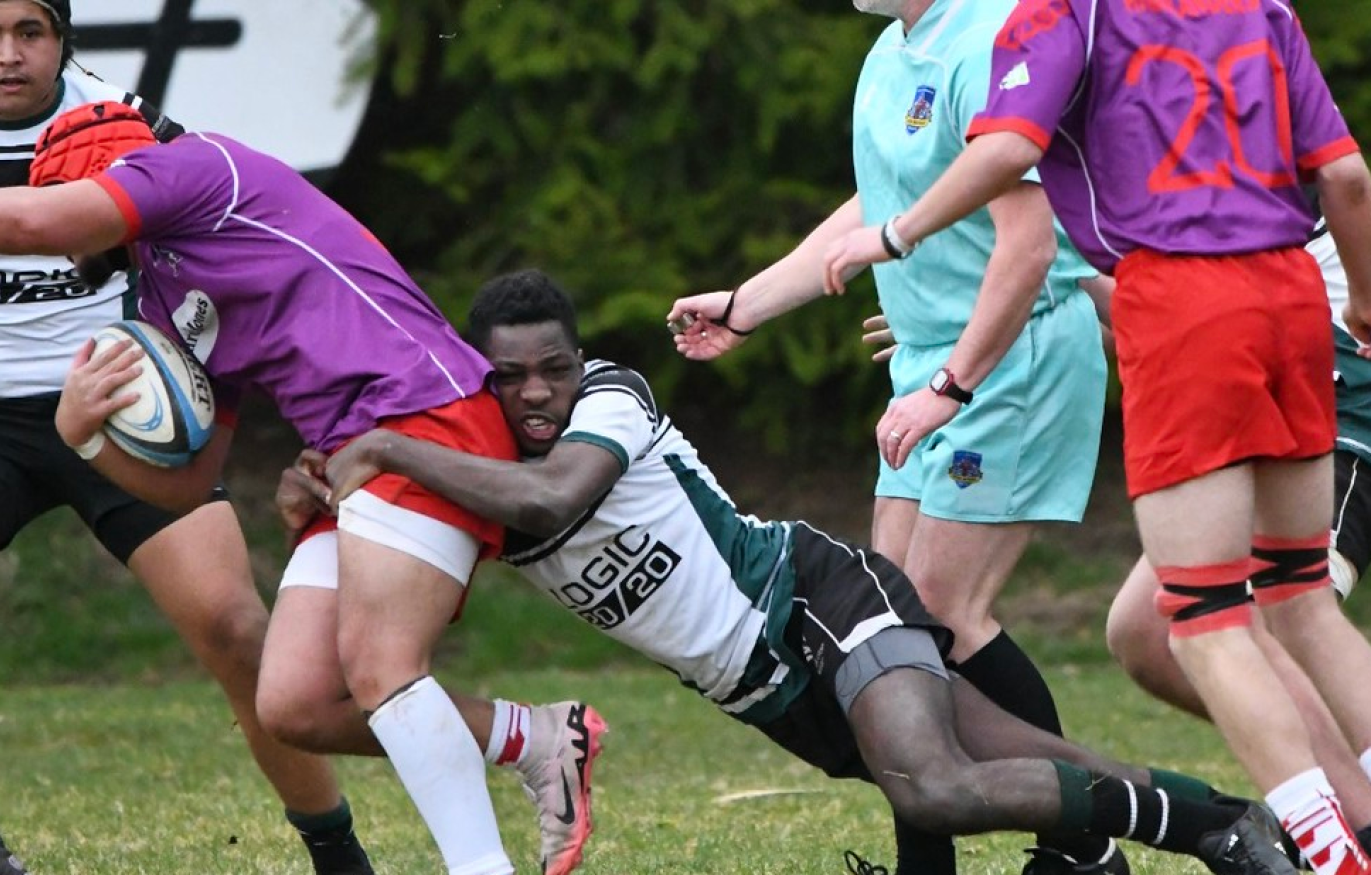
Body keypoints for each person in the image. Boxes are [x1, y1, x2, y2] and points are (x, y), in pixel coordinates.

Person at [276, 268, 1300, 875]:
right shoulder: (474, 469)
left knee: (938, 785)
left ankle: (1219, 838)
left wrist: (392, 452)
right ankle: (1225, 824)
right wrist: (323, 503)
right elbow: (396, 565)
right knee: (1015, 760)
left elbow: (551, 502)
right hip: (768, 688)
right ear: (476, 374)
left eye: (554, 364)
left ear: (580, 357)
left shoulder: (611, 400)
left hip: (815, 595)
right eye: (510, 376)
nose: (537, 391)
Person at [0, 101, 606, 875]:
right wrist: (79, 432)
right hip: (348, 459)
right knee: (293, 702)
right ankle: (538, 737)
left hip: (424, 411)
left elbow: (34, 224)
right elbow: (187, 485)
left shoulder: (195, 167)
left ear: (97, 182)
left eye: (74, 222)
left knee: (381, 665)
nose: (76, 261)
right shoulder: (162, 294)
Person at [816, 3, 1371, 873]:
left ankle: (1332, 850)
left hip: (1184, 302)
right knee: (1296, 592)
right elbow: (1346, 179)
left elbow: (1004, 152)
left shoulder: (1061, 14)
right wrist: (1365, 303)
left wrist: (893, 236)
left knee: (1200, 614)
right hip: (1297, 299)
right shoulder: (1259, 7)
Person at [667, 1, 1109, 871]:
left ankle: (1083, 849)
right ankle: (930, 865)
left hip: (1005, 360)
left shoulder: (990, 39)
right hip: (930, 362)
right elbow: (881, 205)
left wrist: (954, 382)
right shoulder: (890, 49)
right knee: (890, 624)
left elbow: (1028, 247)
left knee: (945, 615)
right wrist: (747, 304)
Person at [0, 3, 371, 873]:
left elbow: (223, 238)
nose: (10, 54)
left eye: (33, 31)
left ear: (64, 39)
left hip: (121, 405)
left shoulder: (121, 124)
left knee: (236, 627)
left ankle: (338, 854)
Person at [1103, 221, 1371, 861]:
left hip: (1335, 383)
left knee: (1273, 610)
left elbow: (1345, 180)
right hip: (1252, 360)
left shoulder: (1099, 127)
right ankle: (1346, 823)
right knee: (1147, 630)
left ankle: (1353, 835)